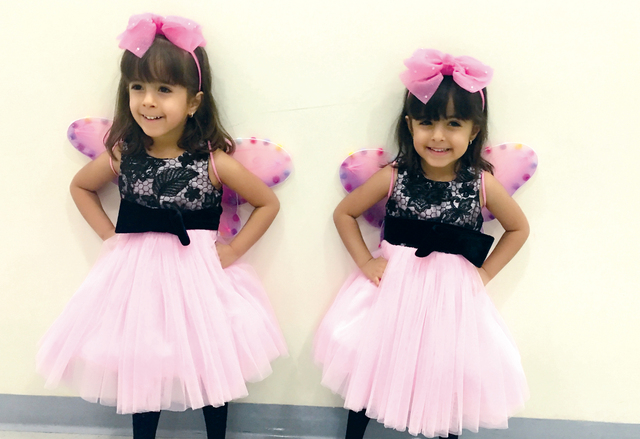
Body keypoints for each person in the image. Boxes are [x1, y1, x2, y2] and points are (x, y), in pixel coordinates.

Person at [36, 14, 287, 439]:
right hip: (138, 277)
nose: (148, 101)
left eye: (164, 90)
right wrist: (110, 237)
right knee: (143, 357)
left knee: (209, 356)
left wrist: (233, 249)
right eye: (138, 87)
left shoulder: (213, 162)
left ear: (193, 102)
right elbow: (81, 187)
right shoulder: (124, 155)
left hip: (197, 274)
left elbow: (267, 202)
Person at [314, 49, 530, 438]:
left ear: (474, 130)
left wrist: (483, 275)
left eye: (453, 124)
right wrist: (366, 262)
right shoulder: (394, 176)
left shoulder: (480, 183)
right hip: (394, 292)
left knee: (447, 369)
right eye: (427, 122)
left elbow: (518, 229)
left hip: (450, 298)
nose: (438, 136)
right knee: (374, 362)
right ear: (410, 124)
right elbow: (344, 213)